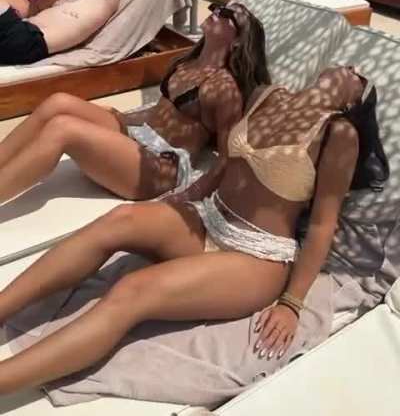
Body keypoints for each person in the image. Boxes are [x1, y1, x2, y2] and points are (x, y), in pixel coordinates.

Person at [0, 66, 369, 395]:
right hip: (209, 217)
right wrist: (183, 198)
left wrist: (292, 302)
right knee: (119, 219)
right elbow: (225, 164)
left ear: (353, 101)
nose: (352, 67)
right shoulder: (267, 95)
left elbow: (322, 224)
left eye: (360, 78)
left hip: (256, 256)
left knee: (133, 290)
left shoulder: (338, 133)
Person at [0, 2, 269, 202]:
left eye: (228, 15)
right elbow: (165, 111)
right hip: (140, 136)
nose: (218, 12)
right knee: (58, 103)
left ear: (238, 42)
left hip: (159, 167)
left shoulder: (224, 88)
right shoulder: (188, 62)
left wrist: (190, 195)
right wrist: (123, 118)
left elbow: (228, 157)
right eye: (218, 7)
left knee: (63, 129)